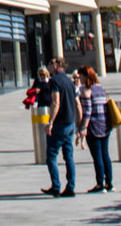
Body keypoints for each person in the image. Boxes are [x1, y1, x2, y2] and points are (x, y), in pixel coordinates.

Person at [39, 56, 80, 197]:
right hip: (70, 122)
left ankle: (56, 186)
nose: (49, 65)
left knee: (51, 155)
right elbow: (77, 103)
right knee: (69, 156)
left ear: (58, 65)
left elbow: (56, 102)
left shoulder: (55, 81)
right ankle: (71, 186)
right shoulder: (70, 81)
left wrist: (50, 122)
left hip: (60, 123)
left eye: (51, 63)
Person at [78, 68, 113, 194]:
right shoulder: (100, 87)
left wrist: (83, 128)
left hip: (93, 125)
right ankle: (109, 182)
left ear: (85, 76)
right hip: (105, 124)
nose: (79, 78)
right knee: (105, 154)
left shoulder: (86, 90)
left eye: (80, 76)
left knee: (97, 156)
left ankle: (100, 184)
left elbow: (87, 112)